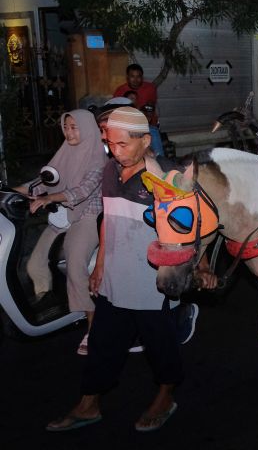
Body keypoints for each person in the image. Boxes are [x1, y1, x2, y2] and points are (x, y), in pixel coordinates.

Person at [45, 107, 185, 432]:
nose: (116, 152)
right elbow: (108, 218)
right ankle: (88, 404)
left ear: (145, 141)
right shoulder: (110, 171)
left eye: (123, 145)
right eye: (111, 144)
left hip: (150, 281)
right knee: (102, 343)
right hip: (114, 277)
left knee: (160, 344)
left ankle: (166, 395)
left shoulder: (165, 178)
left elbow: (186, 230)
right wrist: (101, 266)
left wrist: (191, 266)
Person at [19, 110, 107, 355]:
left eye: (74, 127)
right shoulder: (64, 153)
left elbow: (83, 190)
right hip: (61, 215)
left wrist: (49, 198)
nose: (69, 132)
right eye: (66, 127)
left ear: (87, 129)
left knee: (74, 263)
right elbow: (41, 181)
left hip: (86, 216)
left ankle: (93, 325)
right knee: (34, 263)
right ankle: (47, 300)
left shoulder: (97, 158)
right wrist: (13, 192)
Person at [113, 64, 164, 157]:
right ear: (127, 77)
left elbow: (151, 108)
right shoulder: (120, 91)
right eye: (132, 76)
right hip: (128, 126)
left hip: (147, 125)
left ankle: (161, 163)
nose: (136, 80)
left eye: (138, 76)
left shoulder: (150, 88)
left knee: (153, 136)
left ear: (142, 77)